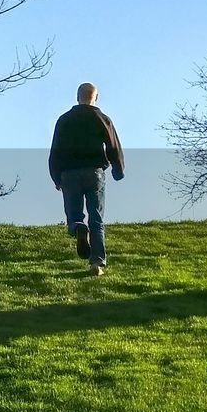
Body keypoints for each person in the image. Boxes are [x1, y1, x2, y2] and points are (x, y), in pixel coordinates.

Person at [48, 82, 125, 275]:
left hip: (69, 173)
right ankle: (97, 263)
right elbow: (113, 145)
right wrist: (118, 169)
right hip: (94, 172)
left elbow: (55, 150)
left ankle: (77, 227)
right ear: (96, 98)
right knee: (97, 218)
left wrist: (56, 176)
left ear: (77, 97)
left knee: (73, 215)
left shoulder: (64, 120)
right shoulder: (102, 118)